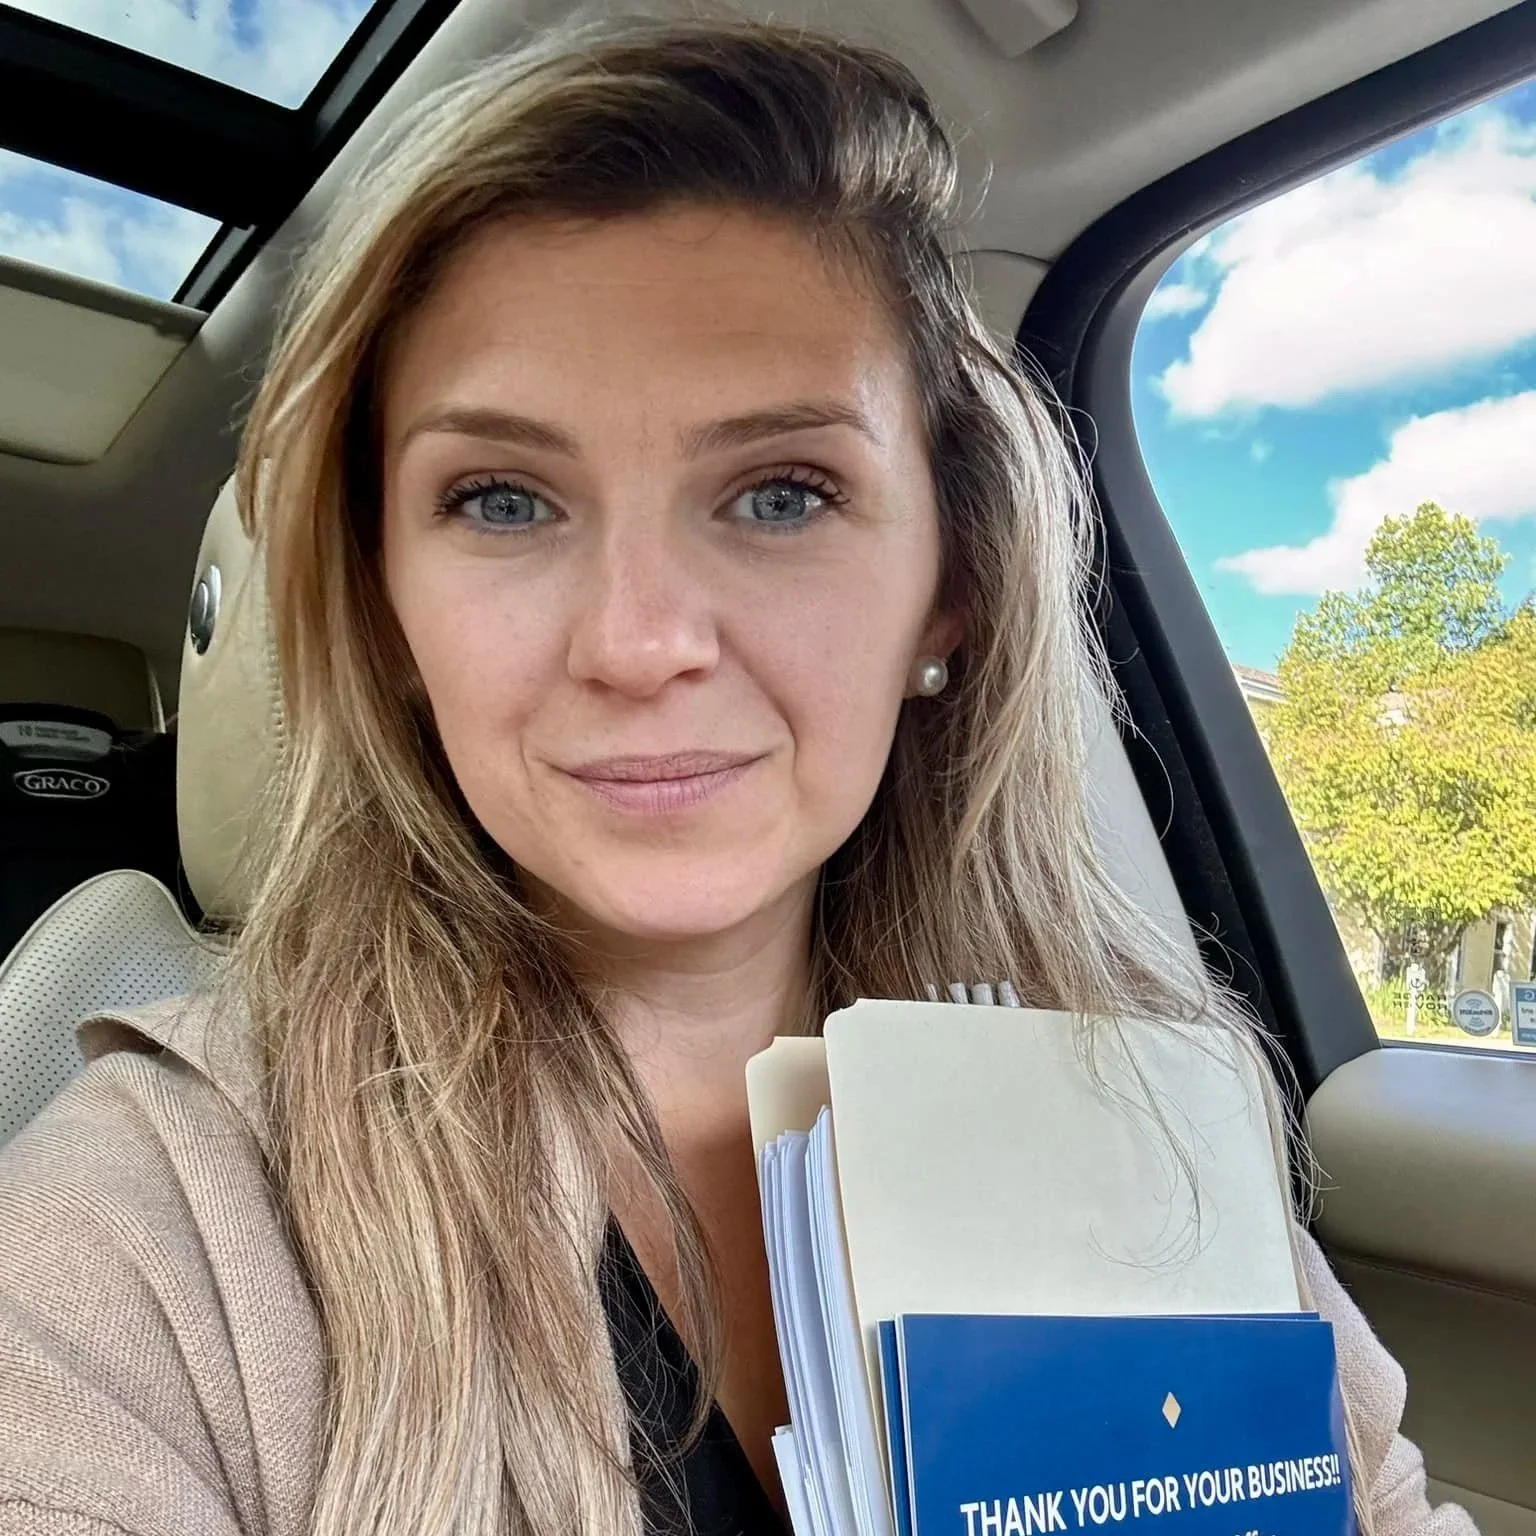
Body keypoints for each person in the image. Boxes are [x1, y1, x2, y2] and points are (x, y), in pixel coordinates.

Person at [0, 18, 1479, 1536]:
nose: (640, 642)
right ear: (386, 612)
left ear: (949, 593)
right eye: (501, 500)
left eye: (781, 493)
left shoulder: (1155, 1125)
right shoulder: (147, 1237)